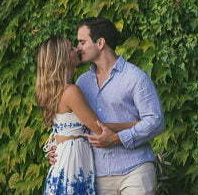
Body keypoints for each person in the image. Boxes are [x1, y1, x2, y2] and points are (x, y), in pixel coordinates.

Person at [48, 18, 165, 194]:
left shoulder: (135, 77)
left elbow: (156, 121)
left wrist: (118, 138)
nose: (78, 48)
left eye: (82, 42)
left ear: (100, 43)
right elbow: (74, 125)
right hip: (97, 175)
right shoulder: (81, 82)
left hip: (135, 169)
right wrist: (58, 148)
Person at [36, 36, 138, 195]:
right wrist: (134, 124)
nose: (76, 49)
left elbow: (63, 129)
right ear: (62, 58)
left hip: (65, 159)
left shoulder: (51, 92)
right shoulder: (71, 91)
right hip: (73, 163)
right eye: (71, 48)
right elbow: (98, 127)